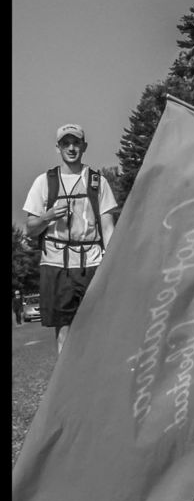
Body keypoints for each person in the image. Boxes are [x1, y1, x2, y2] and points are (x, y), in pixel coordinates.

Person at [23, 124, 117, 356]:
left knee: (97, 327)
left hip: (92, 263)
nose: (71, 148)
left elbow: (108, 227)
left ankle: (95, 379)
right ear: (58, 148)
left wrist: (112, 262)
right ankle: (67, 388)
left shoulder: (98, 182)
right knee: (63, 328)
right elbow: (31, 228)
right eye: (66, 143)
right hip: (56, 265)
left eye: (76, 143)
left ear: (84, 146)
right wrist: (49, 215)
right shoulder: (44, 182)